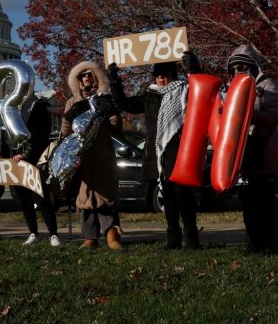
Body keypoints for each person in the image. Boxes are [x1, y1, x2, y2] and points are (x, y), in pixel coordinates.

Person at [111, 52, 203, 249]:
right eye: (158, 74)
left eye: (165, 73)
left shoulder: (185, 90)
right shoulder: (150, 96)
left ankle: (192, 239)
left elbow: (201, 92)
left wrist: (193, 69)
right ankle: (173, 240)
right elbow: (124, 104)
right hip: (158, 154)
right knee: (167, 198)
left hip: (179, 151)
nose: (161, 78)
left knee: (183, 196)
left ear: (173, 74)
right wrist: (114, 80)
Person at [226, 45, 278, 254]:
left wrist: (247, 113)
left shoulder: (267, 85)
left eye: (244, 66)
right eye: (235, 68)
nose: (239, 71)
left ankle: (271, 243)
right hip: (242, 155)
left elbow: (273, 116)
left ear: (253, 66)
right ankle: (253, 242)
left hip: (263, 152)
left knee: (265, 202)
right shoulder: (230, 90)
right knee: (248, 204)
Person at [61, 61, 123, 249]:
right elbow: (65, 133)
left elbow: (116, 129)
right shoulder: (72, 102)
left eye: (89, 74)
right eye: (82, 75)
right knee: (85, 200)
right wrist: (69, 117)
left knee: (106, 199)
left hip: (103, 156)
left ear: (96, 77)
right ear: (77, 80)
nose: (86, 78)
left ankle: (112, 236)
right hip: (82, 159)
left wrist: (112, 112)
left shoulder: (104, 98)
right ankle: (90, 238)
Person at [14, 95, 61, 247]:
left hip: (34, 160)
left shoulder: (38, 107)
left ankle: (53, 234)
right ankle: (33, 232)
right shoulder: (11, 107)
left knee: (41, 198)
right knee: (24, 199)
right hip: (14, 161)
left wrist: (25, 154)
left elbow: (40, 136)